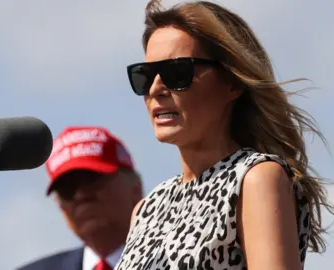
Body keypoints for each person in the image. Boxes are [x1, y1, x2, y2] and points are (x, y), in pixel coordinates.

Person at [115, 1, 332, 270]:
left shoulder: (254, 179)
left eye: (177, 72)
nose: (156, 88)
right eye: (145, 76)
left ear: (232, 82)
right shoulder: (147, 209)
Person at [17, 126, 143, 270]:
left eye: (91, 179)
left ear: (135, 189)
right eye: (67, 189)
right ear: (60, 206)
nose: (80, 196)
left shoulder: (171, 259)